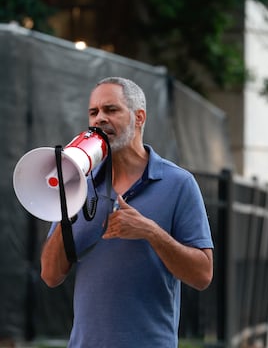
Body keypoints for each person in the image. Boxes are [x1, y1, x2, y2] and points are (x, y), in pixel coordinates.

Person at [40, 77, 214, 347]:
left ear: (139, 117)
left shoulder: (178, 183)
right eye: (93, 112)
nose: (99, 118)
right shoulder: (78, 184)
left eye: (111, 110)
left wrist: (151, 232)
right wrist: (67, 203)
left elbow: (203, 275)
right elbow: (50, 276)